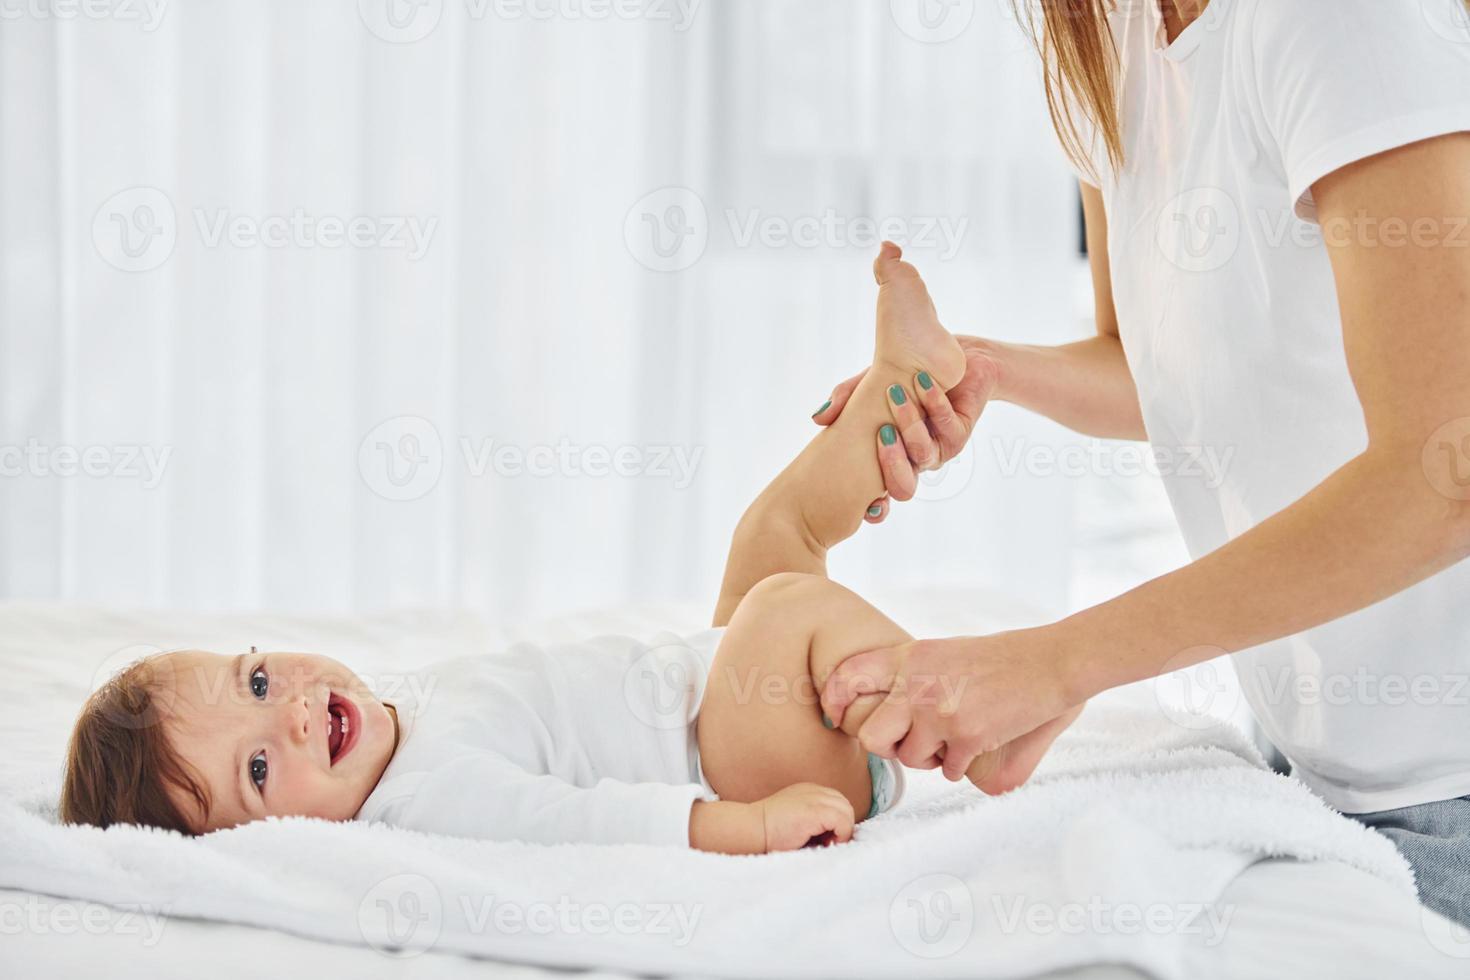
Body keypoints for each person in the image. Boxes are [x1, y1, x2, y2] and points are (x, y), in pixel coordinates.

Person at [816, 0, 1470, 924]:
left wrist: (1057, 664)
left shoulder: (1342, 22)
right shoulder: (1103, 40)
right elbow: (1154, 367)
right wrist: (991, 371)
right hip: (1315, 766)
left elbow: (1443, 477)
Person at [61, 245, 1047, 854]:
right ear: (268, 842)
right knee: (781, 612)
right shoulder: (430, 798)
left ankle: (898, 392)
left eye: (262, 679)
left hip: (721, 694)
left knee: (770, 538)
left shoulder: (403, 717)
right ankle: (975, 726)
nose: (299, 717)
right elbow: (578, 825)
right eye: (262, 772)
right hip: (748, 762)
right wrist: (746, 827)